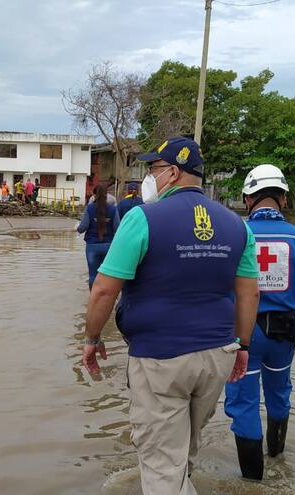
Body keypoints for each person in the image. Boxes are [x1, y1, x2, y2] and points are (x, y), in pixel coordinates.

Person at [82, 137, 260, 494]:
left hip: (160, 359)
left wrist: (92, 338)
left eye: (154, 169)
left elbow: (103, 289)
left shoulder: (142, 218)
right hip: (217, 356)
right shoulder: (238, 225)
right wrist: (242, 346)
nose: (151, 176)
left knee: (162, 463)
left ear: (174, 173)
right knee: (183, 451)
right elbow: (249, 293)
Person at [224, 164, 295, 480]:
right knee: (279, 394)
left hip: (242, 335)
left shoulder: (233, 236)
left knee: (244, 402)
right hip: (284, 335)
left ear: (247, 199)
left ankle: (252, 482)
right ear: (283, 198)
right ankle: (277, 458)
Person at [76, 184, 119, 289]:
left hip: (92, 246)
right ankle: (106, 296)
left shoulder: (89, 208)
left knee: (93, 275)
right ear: (106, 195)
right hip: (108, 246)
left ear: (94, 195)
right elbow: (118, 229)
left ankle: (93, 297)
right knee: (107, 275)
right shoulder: (113, 209)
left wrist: (77, 227)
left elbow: (82, 228)